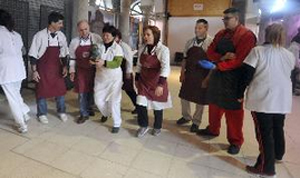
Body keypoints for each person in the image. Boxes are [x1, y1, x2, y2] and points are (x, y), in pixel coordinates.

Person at [238, 23, 295, 178]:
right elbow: (290, 76)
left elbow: (246, 75)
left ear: (266, 34)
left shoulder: (258, 51)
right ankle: (277, 154)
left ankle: (266, 168)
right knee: (278, 127)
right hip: (282, 99)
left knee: (264, 134)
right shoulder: (289, 54)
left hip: (263, 98)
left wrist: (239, 93)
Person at [197, 8, 256, 155]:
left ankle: (235, 141)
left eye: (227, 19)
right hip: (218, 75)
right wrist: (222, 59)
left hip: (235, 79)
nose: (224, 21)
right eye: (223, 19)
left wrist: (218, 64)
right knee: (214, 105)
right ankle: (213, 129)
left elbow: (241, 60)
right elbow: (210, 52)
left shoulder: (247, 36)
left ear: (237, 19)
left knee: (233, 112)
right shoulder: (220, 34)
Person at [29, 12, 69, 124]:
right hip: (43, 68)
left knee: (60, 91)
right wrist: (34, 71)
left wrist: (65, 66)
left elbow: (64, 52)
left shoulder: (61, 36)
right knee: (41, 91)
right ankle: (42, 113)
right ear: (52, 23)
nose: (62, 25)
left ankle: (61, 111)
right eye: (60, 23)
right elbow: (33, 54)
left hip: (57, 68)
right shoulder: (39, 35)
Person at [177, 19, 213, 133]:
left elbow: (213, 64)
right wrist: (182, 73)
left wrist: (208, 79)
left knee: (200, 100)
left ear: (206, 28)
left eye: (200, 28)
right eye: (196, 28)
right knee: (184, 96)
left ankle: (196, 122)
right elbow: (185, 59)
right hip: (190, 73)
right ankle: (186, 116)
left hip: (203, 75)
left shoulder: (211, 42)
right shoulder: (189, 42)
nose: (196, 30)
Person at [135, 25, 172, 138]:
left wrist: (161, 84)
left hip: (156, 81)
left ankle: (157, 126)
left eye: (148, 34)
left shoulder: (163, 50)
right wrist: (136, 78)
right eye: (144, 35)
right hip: (144, 81)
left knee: (157, 106)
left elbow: (165, 68)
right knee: (140, 104)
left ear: (155, 36)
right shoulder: (142, 48)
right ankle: (143, 125)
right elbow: (139, 65)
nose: (145, 37)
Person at [0, 9, 30, 133]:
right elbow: (23, 51)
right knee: (16, 94)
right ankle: (25, 114)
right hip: (19, 69)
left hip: (6, 70)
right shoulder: (16, 35)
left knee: (12, 98)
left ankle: (21, 124)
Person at [91, 24, 124, 134]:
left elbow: (117, 63)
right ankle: (106, 114)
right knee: (98, 100)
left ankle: (117, 123)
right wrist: (92, 61)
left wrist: (104, 63)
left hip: (115, 79)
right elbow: (92, 57)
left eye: (108, 35)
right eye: (104, 35)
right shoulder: (98, 45)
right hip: (100, 78)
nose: (105, 37)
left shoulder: (117, 48)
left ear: (114, 37)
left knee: (114, 101)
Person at [69, 20, 102, 124]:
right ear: (78, 31)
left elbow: (101, 53)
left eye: (86, 29)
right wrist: (72, 71)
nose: (84, 32)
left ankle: (89, 108)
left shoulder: (96, 38)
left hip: (94, 70)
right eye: (81, 30)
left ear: (89, 28)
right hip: (81, 71)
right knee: (82, 92)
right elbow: (72, 58)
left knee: (92, 91)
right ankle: (83, 113)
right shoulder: (74, 42)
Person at [115, 29, 138, 114]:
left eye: (115, 37)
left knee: (129, 90)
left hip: (125, 71)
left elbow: (129, 59)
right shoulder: (113, 45)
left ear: (119, 37)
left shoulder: (124, 46)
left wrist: (128, 72)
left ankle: (138, 106)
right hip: (117, 71)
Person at [288, 29, 300, 95]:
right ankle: (292, 91)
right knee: (293, 78)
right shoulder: (295, 45)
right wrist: (298, 66)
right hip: (292, 65)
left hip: (291, 64)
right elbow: (295, 58)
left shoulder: (295, 40)